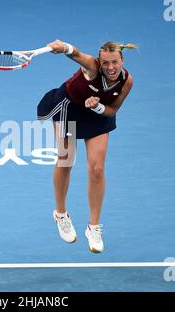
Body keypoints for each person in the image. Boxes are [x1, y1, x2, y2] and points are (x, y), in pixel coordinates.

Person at [37, 40, 136, 253]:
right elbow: (77, 54)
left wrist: (99, 107)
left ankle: (93, 227)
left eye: (115, 62)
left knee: (97, 169)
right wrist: (64, 47)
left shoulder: (127, 81)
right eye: (106, 62)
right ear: (99, 62)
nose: (110, 67)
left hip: (97, 114)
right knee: (66, 160)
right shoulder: (92, 66)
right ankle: (61, 214)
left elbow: (112, 110)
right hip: (69, 109)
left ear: (122, 61)